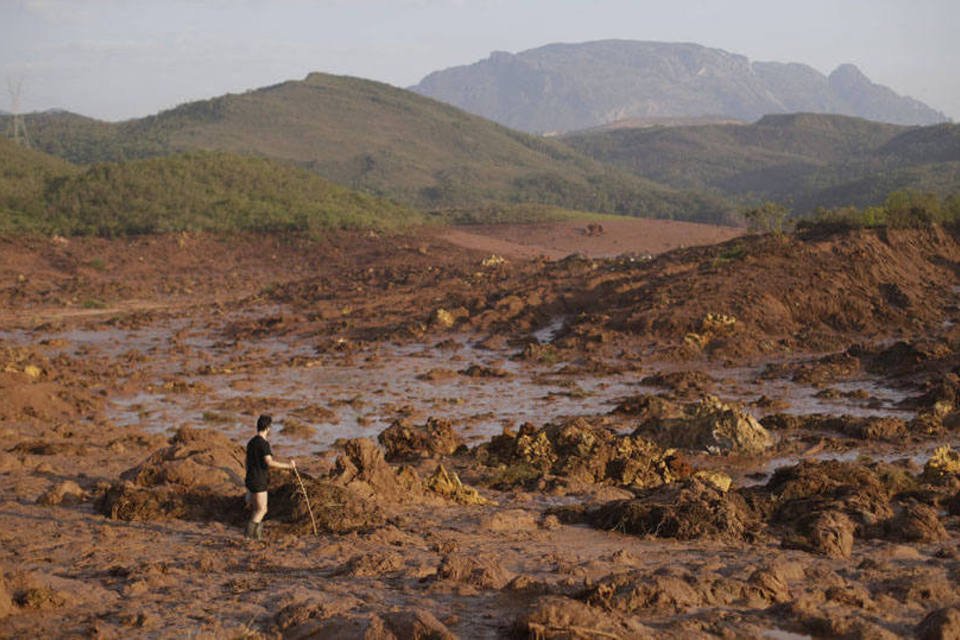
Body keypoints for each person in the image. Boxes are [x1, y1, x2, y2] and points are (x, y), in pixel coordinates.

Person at [244, 414, 296, 540]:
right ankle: (249, 536)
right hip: (259, 480)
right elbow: (269, 462)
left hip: (250, 478)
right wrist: (288, 466)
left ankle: (256, 536)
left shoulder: (251, 442)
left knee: (256, 509)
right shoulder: (264, 444)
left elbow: (246, 461)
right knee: (262, 510)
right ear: (268, 428)